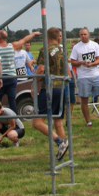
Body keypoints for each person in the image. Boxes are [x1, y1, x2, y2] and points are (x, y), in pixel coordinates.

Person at [33, 27, 70, 160]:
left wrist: (34, 82)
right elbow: (68, 70)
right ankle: (64, 150)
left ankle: (60, 142)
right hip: (61, 88)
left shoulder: (45, 50)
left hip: (49, 88)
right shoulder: (62, 50)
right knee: (58, 121)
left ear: (47, 37)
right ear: (57, 37)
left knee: (37, 122)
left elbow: (41, 69)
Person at [69, 28, 99, 127]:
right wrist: (81, 62)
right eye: (81, 34)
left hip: (96, 75)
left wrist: (92, 64)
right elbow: (72, 61)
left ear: (88, 34)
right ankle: (88, 122)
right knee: (84, 99)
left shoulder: (94, 45)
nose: (83, 36)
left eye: (85, 34)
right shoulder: (76, 47)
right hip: (83, 77)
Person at [0, 29, 41, 113]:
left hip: (1, 77)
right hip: (12, 77)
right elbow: (24, 40)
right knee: (12, 100)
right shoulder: (12, 46)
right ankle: (15, 118)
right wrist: (34, 34)